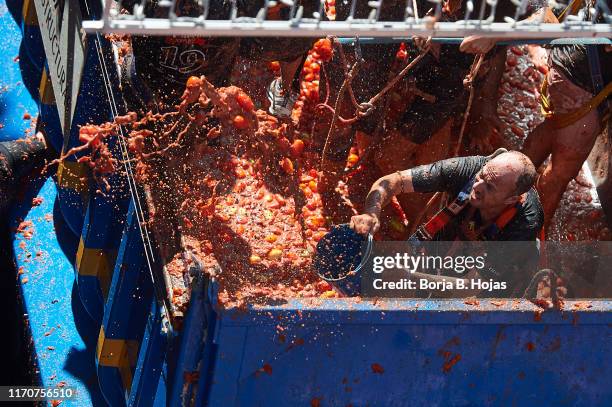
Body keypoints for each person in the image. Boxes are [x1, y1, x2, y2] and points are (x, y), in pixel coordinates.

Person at [350, 150, 544, 297]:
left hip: (497, 274)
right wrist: (372, 213)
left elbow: (471, 287)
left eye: (490, 187)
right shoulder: (467, 168)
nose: (476, 187)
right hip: (455, 239)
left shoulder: (525, 223)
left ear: (511, 199)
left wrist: (409, 278)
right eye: (482, 176)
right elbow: (395, 181)